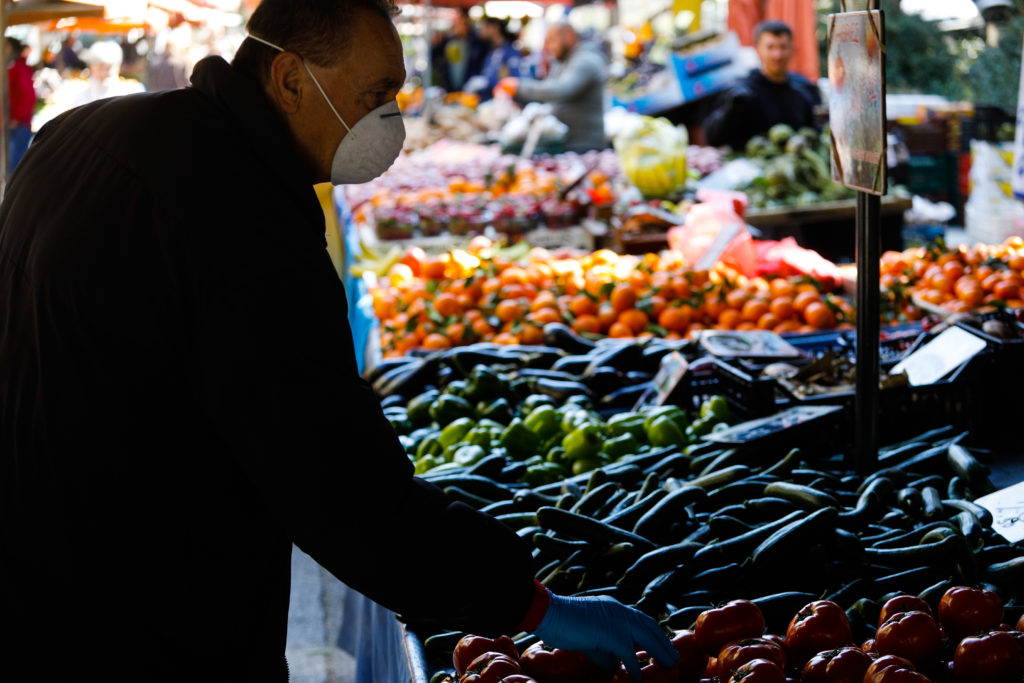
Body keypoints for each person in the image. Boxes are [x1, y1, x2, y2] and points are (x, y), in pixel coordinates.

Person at [0, 0, 678, 681]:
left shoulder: (83, 132)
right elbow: (336, 479)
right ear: (291, 80)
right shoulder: (242, 218)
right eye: (374, 95)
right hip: (146, 612)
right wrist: (530, 605)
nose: (391, 121)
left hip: (38, 572)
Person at [702, 19, 821, 151]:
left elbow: (817, 131)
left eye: (783, 47)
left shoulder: (804, 89)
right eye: (770, 47)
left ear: (792, 49)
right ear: (758, 49)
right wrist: (732, 110)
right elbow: (712, 138)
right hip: (752, 167)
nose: (777, 55)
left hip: (796, 165)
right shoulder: (741, 92)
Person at [495, 22, 608, 153]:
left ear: (568, 36)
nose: (548, 47)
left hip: (585, 146)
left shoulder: (586, 61)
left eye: (552, 40)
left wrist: (519, 87)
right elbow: (548, 91)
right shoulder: (562, 61)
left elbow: (560, 90)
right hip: (568, 142)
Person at [33, 39, 146, 129]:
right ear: (92, 67)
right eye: (100, 67)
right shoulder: (75, 90)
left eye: (109, 68)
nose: (104, 72)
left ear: (118, 67)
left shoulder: (132, 90)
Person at [429, 8, 488, 93]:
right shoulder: (448, 41)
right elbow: (433, 54)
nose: (460, 27)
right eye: (458, 24)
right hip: (450, 84)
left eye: (463, 24)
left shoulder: (475, 43)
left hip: (469, 86)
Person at [464, 16, 522, 101]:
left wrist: (487, 82)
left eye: (484, 26)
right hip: (484, 103)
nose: (481, 30)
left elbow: (515, 80)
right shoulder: (490, 51)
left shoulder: (510, 52)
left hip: (501, 105)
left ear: (495, 28)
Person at [5, 37, 36, 173]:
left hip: (18, 126)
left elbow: (28, 96)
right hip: (12, 125)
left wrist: (16, 118)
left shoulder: (18, 67)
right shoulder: (12, 67)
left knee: (14, 170)